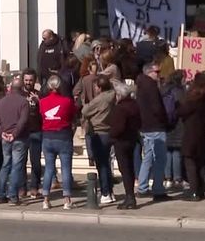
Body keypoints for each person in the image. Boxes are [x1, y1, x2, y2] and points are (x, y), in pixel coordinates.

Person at [39, 75, 77, 210]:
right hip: (63, 135)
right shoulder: (67, 101)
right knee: (65, 168)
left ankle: (45, 199)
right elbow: (73, 115)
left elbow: (42, 115)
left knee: (49, 168)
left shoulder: (42, 102)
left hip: (47, 136)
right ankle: (67, 199)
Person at [0, 75, 30, 205]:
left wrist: (1, 132)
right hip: (19, 138)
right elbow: (23, 120)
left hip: (5, 137)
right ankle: (13, 196)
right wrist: (15, 133)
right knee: (16, 167)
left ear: (10, 87)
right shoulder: (24, 102)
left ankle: (0, 194)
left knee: (5, 165)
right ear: (21, 88)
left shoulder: (1, 102)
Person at [136, 62, 171, 201]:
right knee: (160, 159)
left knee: (148, 157)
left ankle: (142, 187)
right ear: (149, 72)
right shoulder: (151, 86)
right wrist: (164, 121)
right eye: (157, 72)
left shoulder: (141, 85)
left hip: (146, 127)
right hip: (155, 126)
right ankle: (158, 189)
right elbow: (157, 108)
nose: (159, 75)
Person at [81, 75, 116, 204]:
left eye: (96, 86)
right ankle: (110, 191)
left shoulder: (100, 99)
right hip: (109, 131)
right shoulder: (113, 95)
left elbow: (85, 111)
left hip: (99, 132)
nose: (95, 89)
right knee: (106, 163)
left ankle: (105, 192)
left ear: (100, 87)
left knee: (101, 165)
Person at [174, 74, 205, 201]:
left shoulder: (194, 99)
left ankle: (194, 192)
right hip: (200, 134)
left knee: (190, 163)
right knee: (199, 163)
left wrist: (178, 104)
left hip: (191, 134)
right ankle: (200, 190)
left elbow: (181, 111)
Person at [109, 81, 141, 210]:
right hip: (132, 139)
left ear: (119, 95)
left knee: (125, 169)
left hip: (121, 141)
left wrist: (111, 135)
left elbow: (118, 127)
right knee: (130, 168)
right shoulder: (135, 105)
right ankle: (130, 196)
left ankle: (130, 197)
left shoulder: (120, 108)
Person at [161, 71, 186, 191]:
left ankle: (168, 178)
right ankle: (177, 178)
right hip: (178, 124)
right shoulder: (180, 92)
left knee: (168, 151)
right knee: (176, 152)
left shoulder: (164, 90)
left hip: (166, 124)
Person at [21, 69, 43, 199]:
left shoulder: (39, 94)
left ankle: (34, 186)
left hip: (36, 131)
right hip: (22, 132)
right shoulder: (19, 94)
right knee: (21, 162)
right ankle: (22, 188)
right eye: (26, 80)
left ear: (34, 81)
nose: (28, 82)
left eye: (30, 80)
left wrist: (39, 101)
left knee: (36, 162)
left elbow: (45, 110)